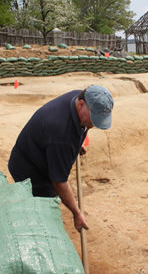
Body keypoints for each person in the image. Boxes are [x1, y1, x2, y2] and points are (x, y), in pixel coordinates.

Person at [8, 85, 114, 232]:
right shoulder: (61, 134)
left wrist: (77, 143)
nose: (94, 125)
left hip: (40, 147)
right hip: (29, 169)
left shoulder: (80, 96)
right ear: (81, 104)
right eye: (93, 118)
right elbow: (59, 182)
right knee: (43, 207)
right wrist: (76, 214)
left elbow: (81, 126)